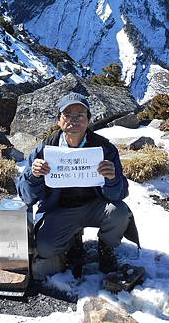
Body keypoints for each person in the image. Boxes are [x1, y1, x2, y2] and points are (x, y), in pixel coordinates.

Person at [16, 92, 137, 279]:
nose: (74, 120)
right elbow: (26, 196)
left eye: (80, 115)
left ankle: (106, 249)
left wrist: (112, 179)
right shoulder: (44, 150)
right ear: (59, 120)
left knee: (119, 213)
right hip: (60, 210)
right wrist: (34, 176)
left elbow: (120, 194)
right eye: (67, 115)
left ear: (88, 120)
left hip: (96, 206)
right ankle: (72, 240)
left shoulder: (104, 149)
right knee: (46, 247)